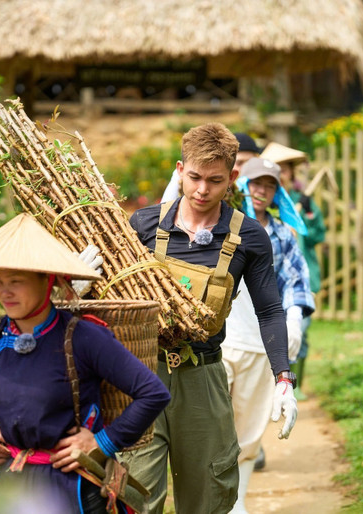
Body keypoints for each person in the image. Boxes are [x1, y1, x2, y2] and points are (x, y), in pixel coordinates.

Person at [0, 213, 171, 513]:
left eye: (16, 281)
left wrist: (103, 442)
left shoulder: (83, 338)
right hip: (12, 485)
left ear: (47, 280)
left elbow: (153, 392)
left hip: (75, 485)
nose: (4, 291)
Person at [123, 123, 297, 514]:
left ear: (233, 178)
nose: (202, 190)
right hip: (141, 375)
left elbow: (269, 309)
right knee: (133, 494)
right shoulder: (144, 225)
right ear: (180, 169)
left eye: (215, 181)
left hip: (203, 378)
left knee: (208, 497)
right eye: (195, 178)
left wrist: (283, 377)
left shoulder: (249, 236)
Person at [223, 157, 315, 513]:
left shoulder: (280, 235)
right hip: (221, 339)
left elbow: (295, 282)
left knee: (248, 430)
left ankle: (238, 503)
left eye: (269, 185)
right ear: (240, 184)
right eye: (254, 183)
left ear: (277, 192)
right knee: (216, 428)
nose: (261, 191)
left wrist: (293, 319)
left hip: (259, 344)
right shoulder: (223, 225)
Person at [262, 142, 326, 401]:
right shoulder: (263, 203)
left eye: (285, 170)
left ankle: (293, 384)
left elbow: (317, 235)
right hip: (269, 280)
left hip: (301, 278)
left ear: (291, 173)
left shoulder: (303, 202)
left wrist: (307, 215)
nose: (282, 174)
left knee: (299, 330)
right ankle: (273, 383)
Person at [160, 132, 262, 203]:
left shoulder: (262, 184)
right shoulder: (183, 177)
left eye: (250, 163)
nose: (203, 190)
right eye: (239, 163)